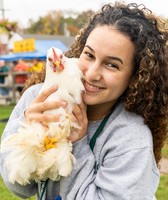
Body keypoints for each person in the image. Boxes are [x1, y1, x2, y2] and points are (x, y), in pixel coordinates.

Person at [1, 1, 168, 199]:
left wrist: (79, 144)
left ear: (135, 77)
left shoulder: (130, 139)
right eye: (89, 55)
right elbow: (19, 188)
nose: (92, 73)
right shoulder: (36, 99)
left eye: (112, 65)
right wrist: (29, 136)